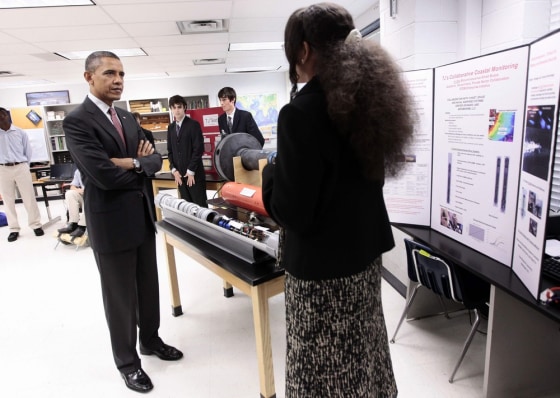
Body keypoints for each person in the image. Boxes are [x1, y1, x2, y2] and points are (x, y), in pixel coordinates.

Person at [261, 3, 414, 397]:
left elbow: (292, 212)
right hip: (363, 258)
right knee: (362, 354)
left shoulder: (301, 113)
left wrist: (270, 174)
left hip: (321, 273)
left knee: (322, 367)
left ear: (304, 51)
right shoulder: (369, 102)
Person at [63, 51, 183, 394]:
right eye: (109, 73)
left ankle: (151, 340)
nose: (118, 80)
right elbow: (101, 175)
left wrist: (128, 162)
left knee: (148, 288)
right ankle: (128, 364)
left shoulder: (129, 118)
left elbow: (155, 159)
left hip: (141, 219)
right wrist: (136, 164)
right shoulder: (78, 122)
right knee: (120, 299)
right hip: (110, 224)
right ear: (89, 77)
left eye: (121, 73)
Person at [0, 107, 44, 242]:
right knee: (8, 200)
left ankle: (35, 225)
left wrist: (24, 165)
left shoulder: (20, 132)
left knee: (29, 197)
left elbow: (28, 151)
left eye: (2, 114)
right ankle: (13, 229)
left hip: (21, 167)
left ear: (7, 115)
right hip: (2, 169)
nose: (1, 118)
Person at [167, 94, 207, 207]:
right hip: (180, 176)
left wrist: (191, 170)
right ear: (171, 109)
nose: (176, 110)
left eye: (179, 107)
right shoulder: (170, 128)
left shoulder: (193, 125)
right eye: (174, 107)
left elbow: (198, 149)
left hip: (193, 175)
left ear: (184, 107)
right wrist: (174, 170)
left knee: (200, 207)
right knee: (187, 207)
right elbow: (170, 151)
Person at [57, 168, 87, 238]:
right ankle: (73, 223)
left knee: (89, 195)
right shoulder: (78, 171)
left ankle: (82, 226)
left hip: (94, 196)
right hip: (82, 195)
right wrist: (78, 190)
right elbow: (72, 186)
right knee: (70, 193)